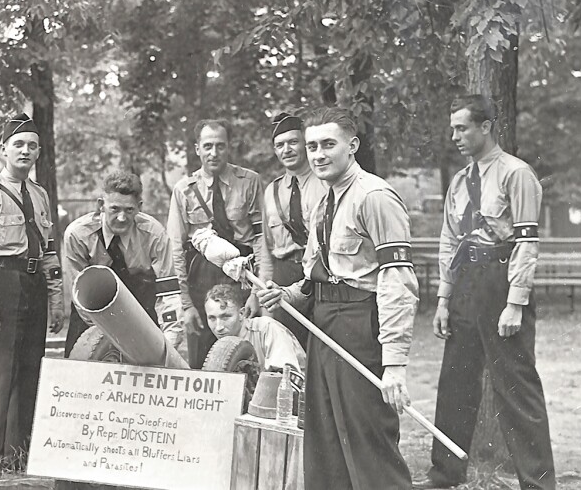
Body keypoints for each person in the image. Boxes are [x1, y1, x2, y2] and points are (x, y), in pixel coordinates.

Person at [257, 106, 417, 490]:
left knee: (367, 441)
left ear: (353, 146)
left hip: (360, 325)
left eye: (328, 144)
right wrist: (285, 294)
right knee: (324, 440)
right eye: (312, 146)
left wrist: (394, 364)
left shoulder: (375, 197)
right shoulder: (325, 200)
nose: (318, 154)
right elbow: (317, 276)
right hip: (324, 323)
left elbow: (397, 282)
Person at [413, 96, 555, 490]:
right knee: (455, 381)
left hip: (501, 279)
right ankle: (444, 474)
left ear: (487, 126)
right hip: (465, 284)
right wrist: (443, 299)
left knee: (516, 387)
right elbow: (449, 242)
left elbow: (527, 241)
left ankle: (538, 483)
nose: (455, 136)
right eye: (453, 128)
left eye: (462, 128)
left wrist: (515, 302)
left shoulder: (515, 174)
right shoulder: (460, 181)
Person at [0, 113, 65, 478]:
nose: (25, 151)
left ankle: (18, 455)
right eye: (18, 144)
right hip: (3, 284)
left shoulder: (39, 196)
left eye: (32, 146)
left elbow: (49, 249)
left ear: (39, 152)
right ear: (3, 149)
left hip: (34, 285)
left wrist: (56, 298)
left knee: (29, 370)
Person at [167, 119, 273, 369]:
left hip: (242, 275)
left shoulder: (249, 182)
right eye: (207, 146)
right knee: (202, 359)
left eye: (220, 146)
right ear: (197, 149)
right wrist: (186, 305)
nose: (214, 153)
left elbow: (261, 241)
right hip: (201, 278)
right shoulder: (184, 190)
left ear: (229, 147)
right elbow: (176, 250)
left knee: (247, 354)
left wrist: (257, 294)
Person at [62, 171, 184, 358]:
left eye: (129, 210)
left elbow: (168, 291)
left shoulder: (154, 234)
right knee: (79, 369)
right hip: (92, 308)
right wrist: (103, 339)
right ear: (101, 205)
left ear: (139, 207)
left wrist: (170, 336)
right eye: (114, 209)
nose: (121, 218)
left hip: (140, 305)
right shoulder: (78, 234)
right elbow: (79, 294)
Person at [263, 112, 326, 348]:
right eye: (280, 145)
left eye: (293, 142)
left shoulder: (326, 181)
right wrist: (263, 288)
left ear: (305, 143)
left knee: (321, 349)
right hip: (285, 273)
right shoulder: (272, 191)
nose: (286, 149)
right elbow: (266, 247)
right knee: (287, 350)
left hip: (321, 275)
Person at [205, 283, 306, 373]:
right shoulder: (221, 344)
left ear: (241, 314)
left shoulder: (267, 329)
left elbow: (284, 377)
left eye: (225, 317)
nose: (219, 327)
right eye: (212, 318)